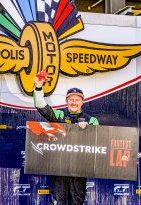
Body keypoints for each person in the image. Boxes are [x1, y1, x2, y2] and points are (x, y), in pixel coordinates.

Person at [33, 72, 99, 205]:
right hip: (59, 169)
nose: (74, 102)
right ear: (66, 101)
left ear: (82, 101)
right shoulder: (59, 114)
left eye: (77, 99)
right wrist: (38, 86)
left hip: (79, 170)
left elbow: (99, 141)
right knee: (58, 202)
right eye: (71, 99)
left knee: (77, 202)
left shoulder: (91, 120)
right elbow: (41, 106)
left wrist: (88, 129)